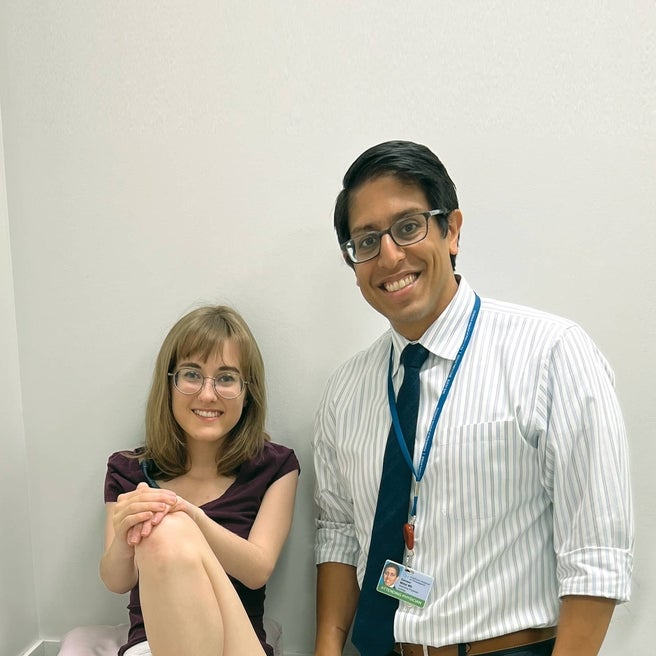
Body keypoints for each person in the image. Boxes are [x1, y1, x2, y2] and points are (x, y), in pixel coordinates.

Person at [313, 140, 633, 656]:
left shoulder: (551, 353)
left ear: (452, 230)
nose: (389, 255)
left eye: (409, 226)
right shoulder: (345, 392)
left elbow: (596, 554)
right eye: (366, 241)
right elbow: (339, 533)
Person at [100, 305, 300, 656]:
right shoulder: (128, 471)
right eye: (192, 374)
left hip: (236, 643)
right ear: (170, 383)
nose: (207, 395)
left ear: (247, 391)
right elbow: (118, 581)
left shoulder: (276, 466)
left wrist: (191, 518)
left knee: (169, 527)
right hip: (152, 644)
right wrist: (124, 536)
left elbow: (257, 571)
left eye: (225, 378)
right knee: (164, 532)